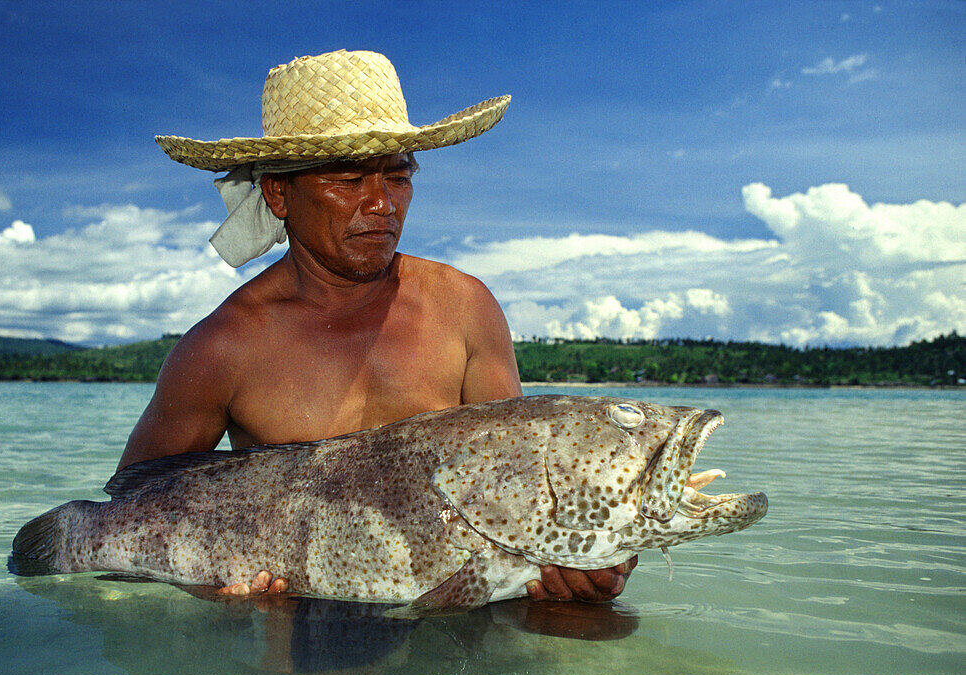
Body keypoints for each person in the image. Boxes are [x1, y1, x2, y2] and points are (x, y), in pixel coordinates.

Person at [121, 50, 636, 604]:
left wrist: (582, 568)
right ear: (278, 193)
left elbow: (523, 487)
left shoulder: (464, 308)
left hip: (460, 612)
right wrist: (207, 588)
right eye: (348, 178)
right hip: (302, 634)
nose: (382, 203)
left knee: (592, 624)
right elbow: (128, 519)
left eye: (398, 176)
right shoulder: (223, 348)